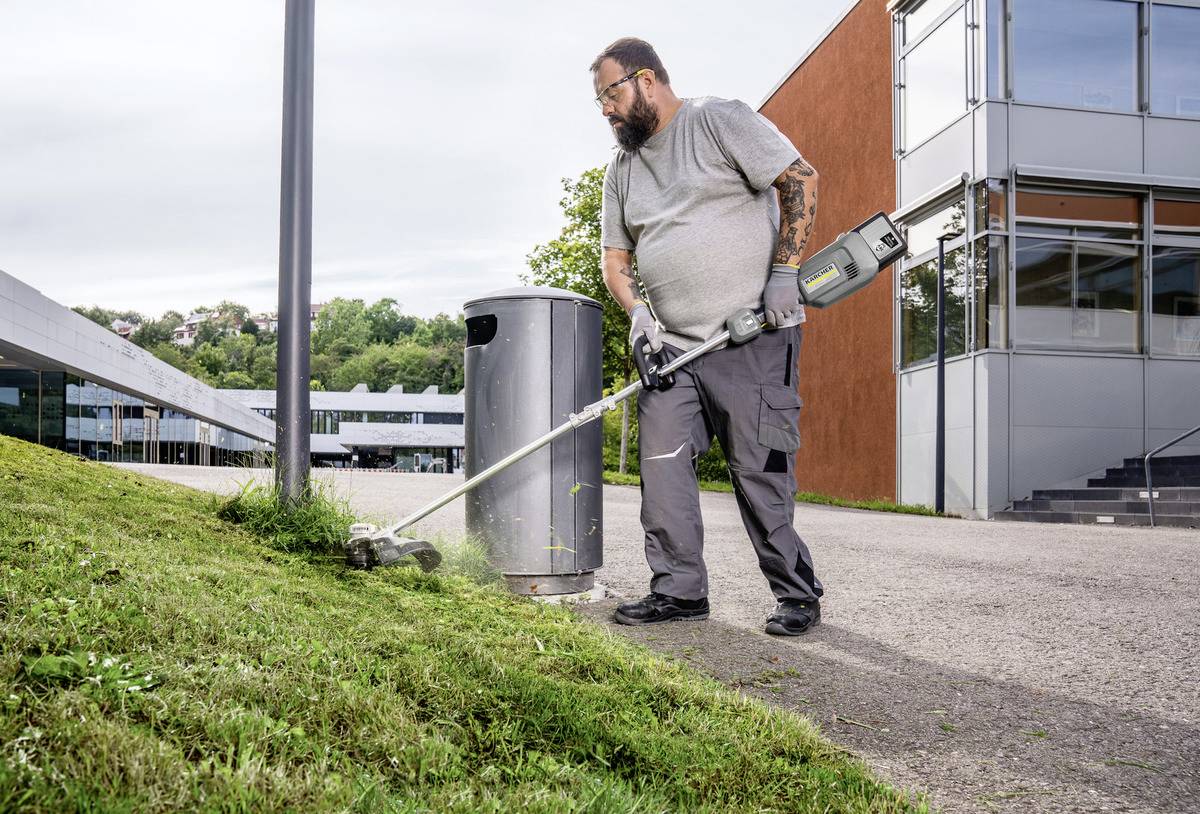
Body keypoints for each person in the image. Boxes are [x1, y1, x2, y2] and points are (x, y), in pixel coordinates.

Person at [593, 37, 823, 636]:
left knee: (759, 472)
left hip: (752, 337)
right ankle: (679, 590)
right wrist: (639, 315)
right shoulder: (621, 170)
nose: (606, 109)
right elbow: (615, 259)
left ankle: (797, 594)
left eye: (611, 94)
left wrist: (785, 272)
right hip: (673, 348)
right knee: (663, 469)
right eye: (599, 101)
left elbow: (800, 179)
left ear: (646, 80)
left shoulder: (716, 119)